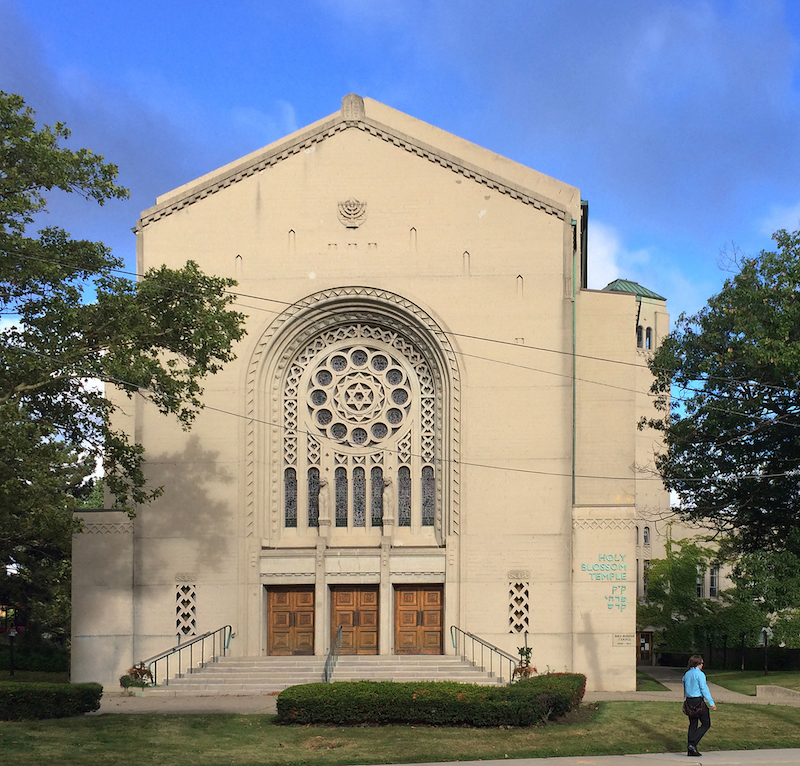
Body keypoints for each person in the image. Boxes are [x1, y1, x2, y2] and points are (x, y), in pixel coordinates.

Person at [682, 655, 716, 757]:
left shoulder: (687, 674)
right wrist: (711, 702)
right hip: (698, 700)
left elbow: (684, 683)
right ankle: (692, 743)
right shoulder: (700, 675)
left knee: (693, 724)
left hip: (689, 700)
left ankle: (690, 748)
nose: (702, 665)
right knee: (706, 723)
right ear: (698, 664)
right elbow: (704, 688)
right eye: (701, 663)